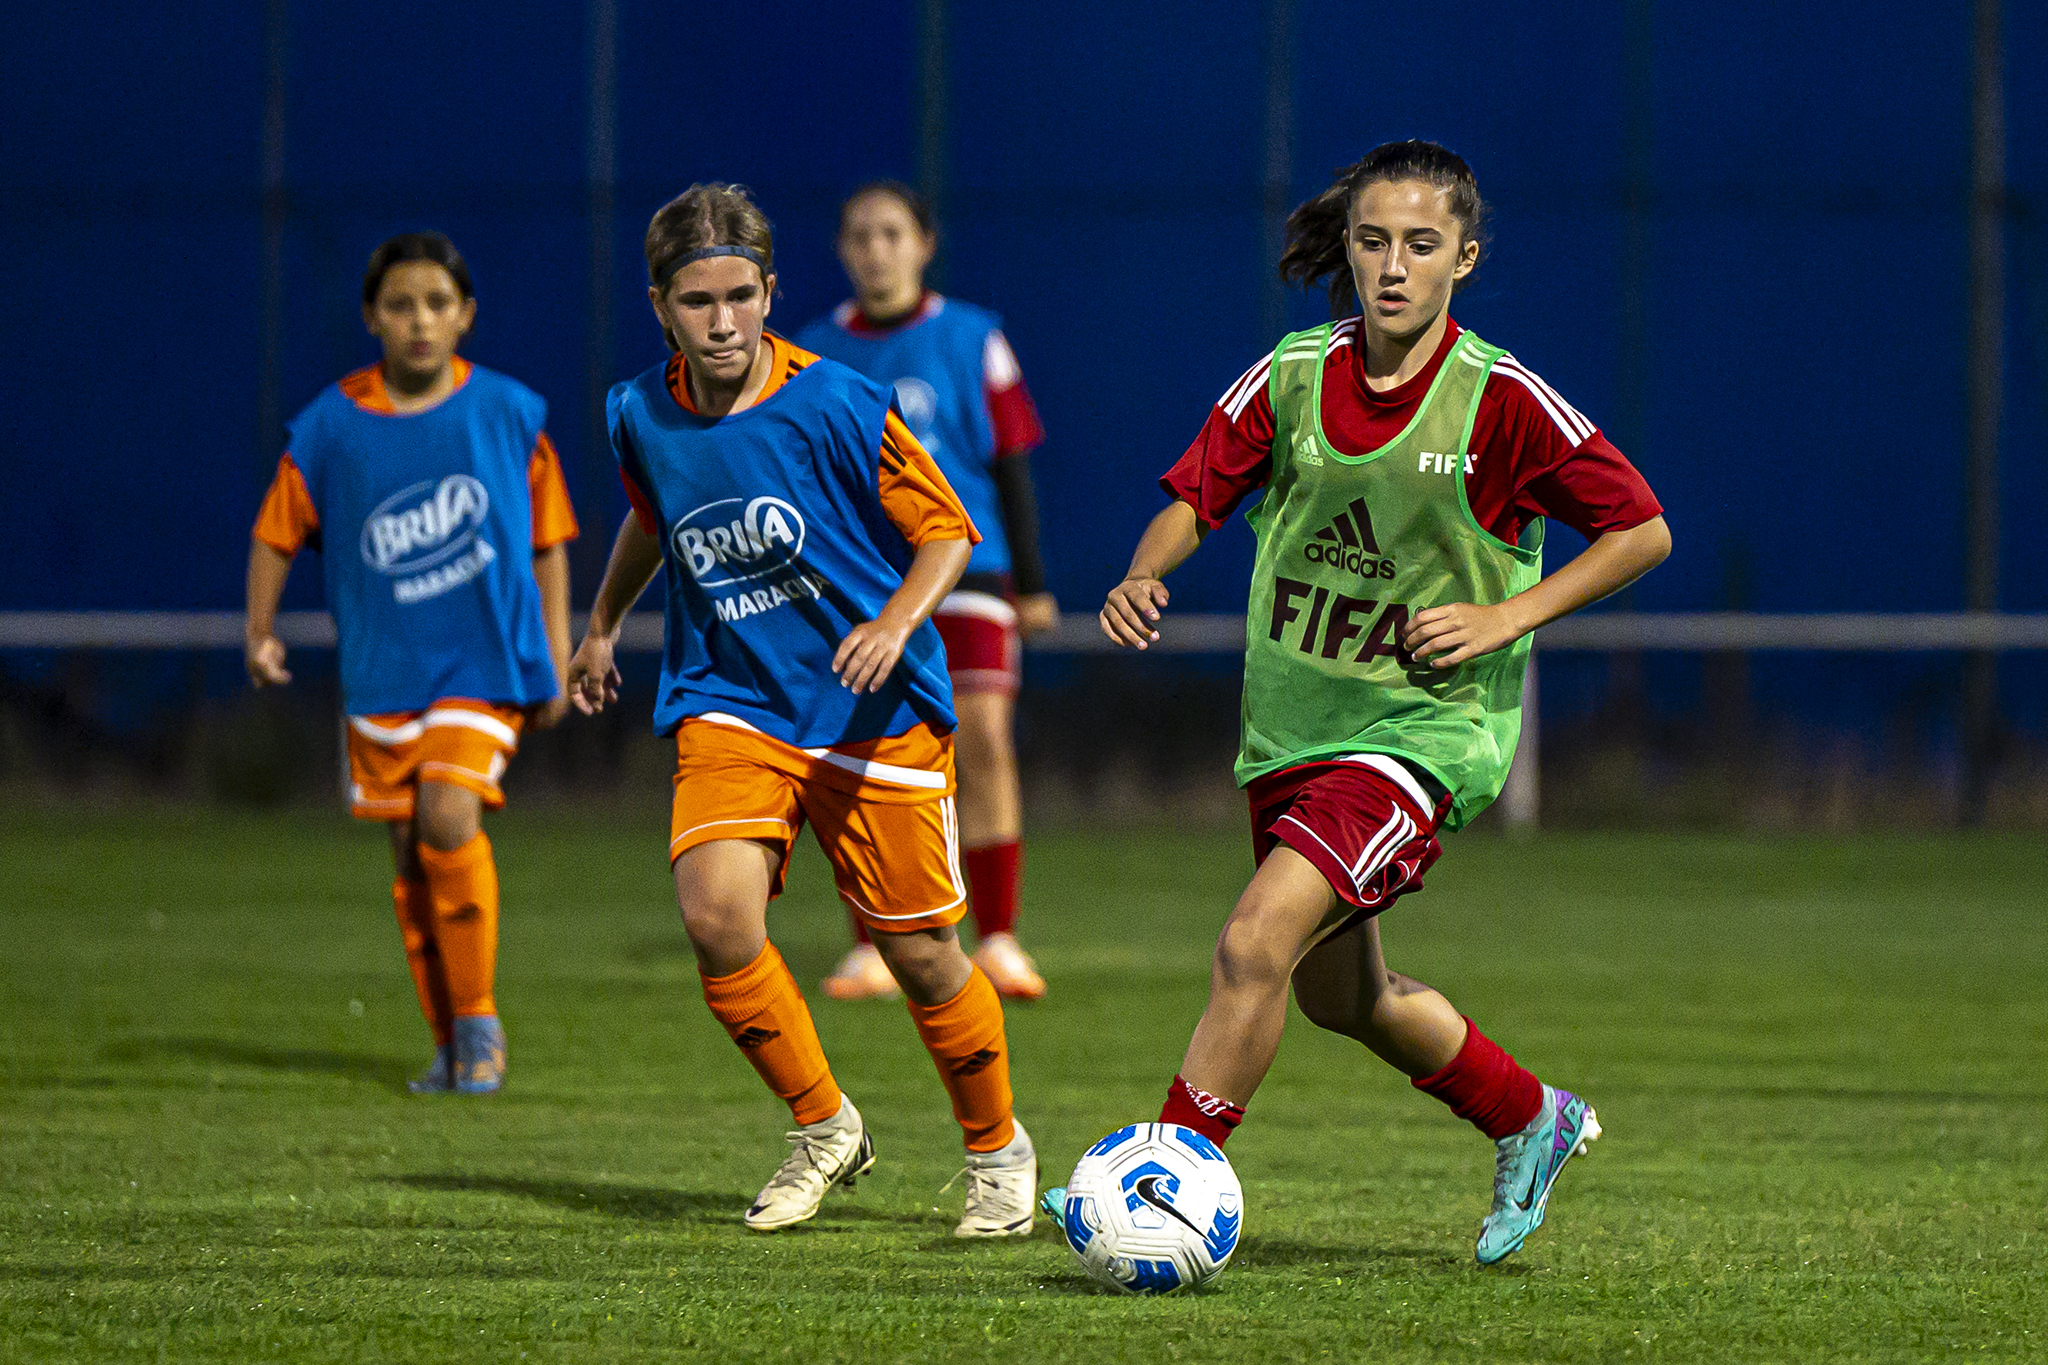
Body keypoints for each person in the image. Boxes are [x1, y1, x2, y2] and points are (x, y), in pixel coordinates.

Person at [1051, 141, 1671, 1264]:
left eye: (1420, 246)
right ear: (1349, 247)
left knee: (1252, 943)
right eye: (1374, 241)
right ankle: (1531, 1116)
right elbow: (1195, 493)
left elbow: (1640, 529)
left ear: (1463, 260)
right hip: (1292, 734)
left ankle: (1158, 1189)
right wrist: (1145, 572)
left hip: (1422, 738)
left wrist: (1504, 618)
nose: (1393, 267)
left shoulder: (1499, 402)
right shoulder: (1290, 376)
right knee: (1345, 998)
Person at [564, 183, 1037, 1236]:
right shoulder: (636, 411)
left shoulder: (835, 400)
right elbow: (652, 519)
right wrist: (600, 624)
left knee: (919, 956)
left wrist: (895, 624)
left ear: (771, 292)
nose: (722, 320)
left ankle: (997, 1151)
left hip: (873, 712)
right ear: (660, 307)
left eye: (741, 295)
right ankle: (822, 1125)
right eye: (697, 301)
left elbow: (949, 530)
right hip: (730, 700)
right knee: (715, 916)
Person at [245, 231, 578, 1096]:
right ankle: (449, 1038)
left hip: (486, 661)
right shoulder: (330, 425)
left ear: (465, 314)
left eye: (438, 302)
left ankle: (480, 1023)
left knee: (444, 816)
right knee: (408, 854)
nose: (420, 319)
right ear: (372, 318)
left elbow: (548, 542)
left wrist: (555, 649)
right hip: (386, 672)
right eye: (400, 304)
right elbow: (276, 532)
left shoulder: (507, 412)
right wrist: (260, 630)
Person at [796, 181, 1056, 1003]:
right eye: (861, 235)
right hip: (869, 581)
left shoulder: (975, 337)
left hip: (969, 567)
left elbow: (1012, 461)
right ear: (842, 249)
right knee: (861, 752)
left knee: (982, 736)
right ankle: (872, 943)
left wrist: (1035, 585)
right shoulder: (812, 351)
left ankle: (1001, 937)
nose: (877, 249)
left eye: (892, 233)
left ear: (923, 243)